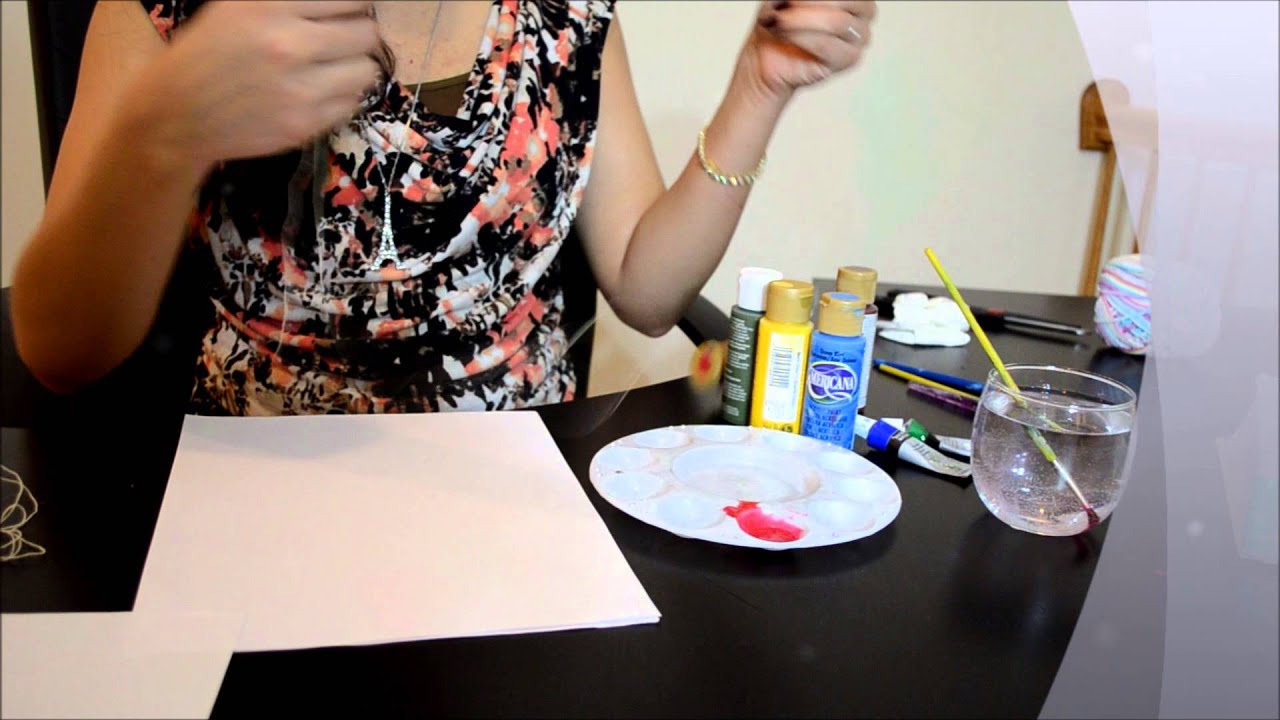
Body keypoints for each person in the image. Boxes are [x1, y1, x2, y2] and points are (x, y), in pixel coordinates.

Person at [11, 0, 876, 415]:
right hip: (260, 473)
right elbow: (59, 351)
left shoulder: (567, 17)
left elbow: (648, 293)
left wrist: (758, 88)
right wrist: (166, 128)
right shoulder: (163, 12)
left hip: (517, 486)